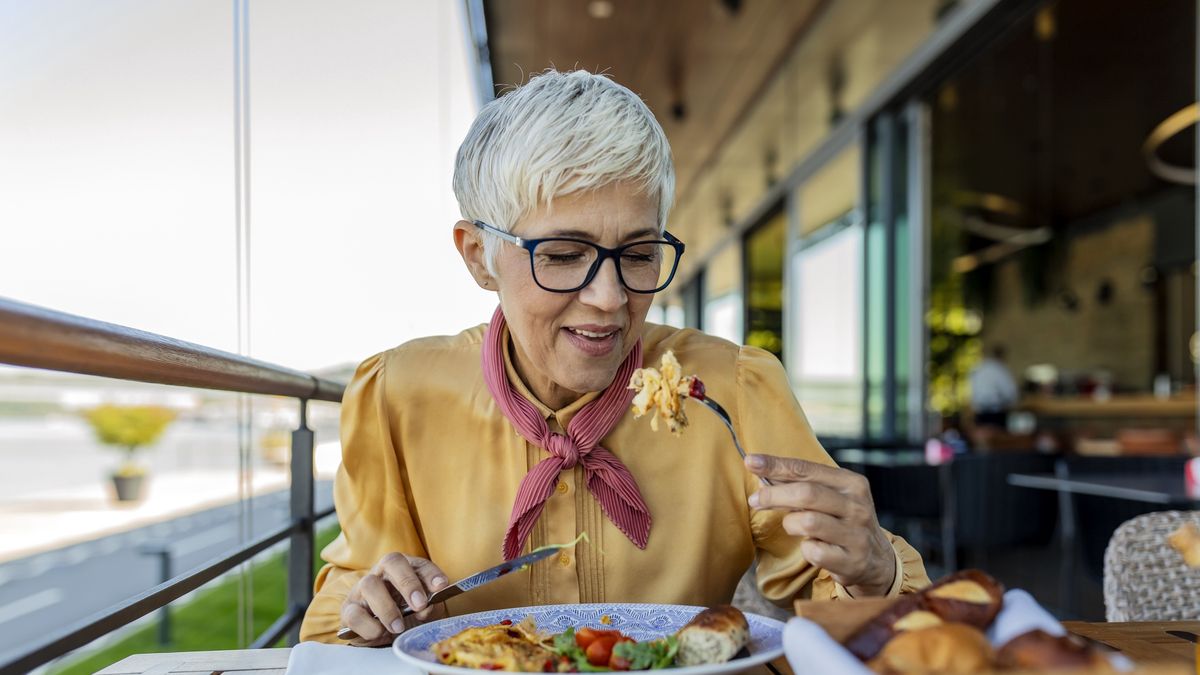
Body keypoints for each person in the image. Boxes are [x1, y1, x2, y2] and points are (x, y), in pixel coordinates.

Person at [298, 69, 929, 646]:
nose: (610, 299)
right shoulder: (396, 394)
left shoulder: (734, 389)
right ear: (475, 255)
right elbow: (337, 625)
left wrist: (872, 569)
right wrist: (374, 611)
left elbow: (853, 602)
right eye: (564, 255)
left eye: (638, 253)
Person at [968, 345, 1019, 429]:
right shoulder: (999, 369)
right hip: (996, 414)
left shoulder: (978, 368)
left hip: (979, 414)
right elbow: (1010, 392)